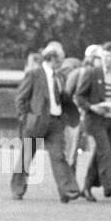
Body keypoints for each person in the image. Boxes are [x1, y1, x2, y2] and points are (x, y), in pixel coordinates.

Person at [14, 41, 81, 202]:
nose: (62, 62)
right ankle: (17, 188)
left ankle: (68, 190)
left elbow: (62, 98)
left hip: (55, 122)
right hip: (36, 123)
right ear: (52, 58)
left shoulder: (59, 76)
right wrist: (26, 118)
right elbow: (20, 98)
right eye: (60, 59)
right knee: (26, 157)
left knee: (59, 156)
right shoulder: (34, 74)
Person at [74, 41, 111, 203]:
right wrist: (92, 107)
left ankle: (87, 187)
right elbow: (79, 96)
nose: (105, 59)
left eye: (109, 56)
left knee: (103, 154)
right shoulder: (92, 73)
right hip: (95, 119)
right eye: (103, 56)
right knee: (104, 151)